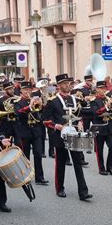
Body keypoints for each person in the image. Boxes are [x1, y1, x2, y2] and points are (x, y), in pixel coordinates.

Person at [42, 73, 93, 201]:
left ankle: (83, 192)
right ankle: (60, 188)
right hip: (59, 136)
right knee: (60, 163)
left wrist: (80, 122)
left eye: (68, 83)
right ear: (58, 85)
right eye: (64, 83)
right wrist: (56, 126)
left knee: (78, 163)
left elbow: (78, 115)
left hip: (74, 134)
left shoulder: (73, 99)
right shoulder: (52, 102)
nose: (67, 85)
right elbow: (45, 120)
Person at [13, 81, 49, 185]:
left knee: (38, 153)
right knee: (26, 155)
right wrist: (29, 107)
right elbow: (17, 113)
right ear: (21, 91)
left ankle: (39, 177)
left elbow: (42, 113)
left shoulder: (36, 100)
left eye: (29, 90)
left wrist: (42, 104)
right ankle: (26, 176)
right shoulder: (18, 102)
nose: (27, 92)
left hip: (36, 131)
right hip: (24, 132)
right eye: (25, 90)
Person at [90, 80, 112, 175]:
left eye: (104, 88)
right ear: (97, 89)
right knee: (99, 149)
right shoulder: (94, 100)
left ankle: (110, 167)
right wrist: (106, 107)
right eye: (101, 88)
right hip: (99, 127)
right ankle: (101, 168)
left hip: (109, 126)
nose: (103, 90)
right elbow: (95, 112)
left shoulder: (108, 98)